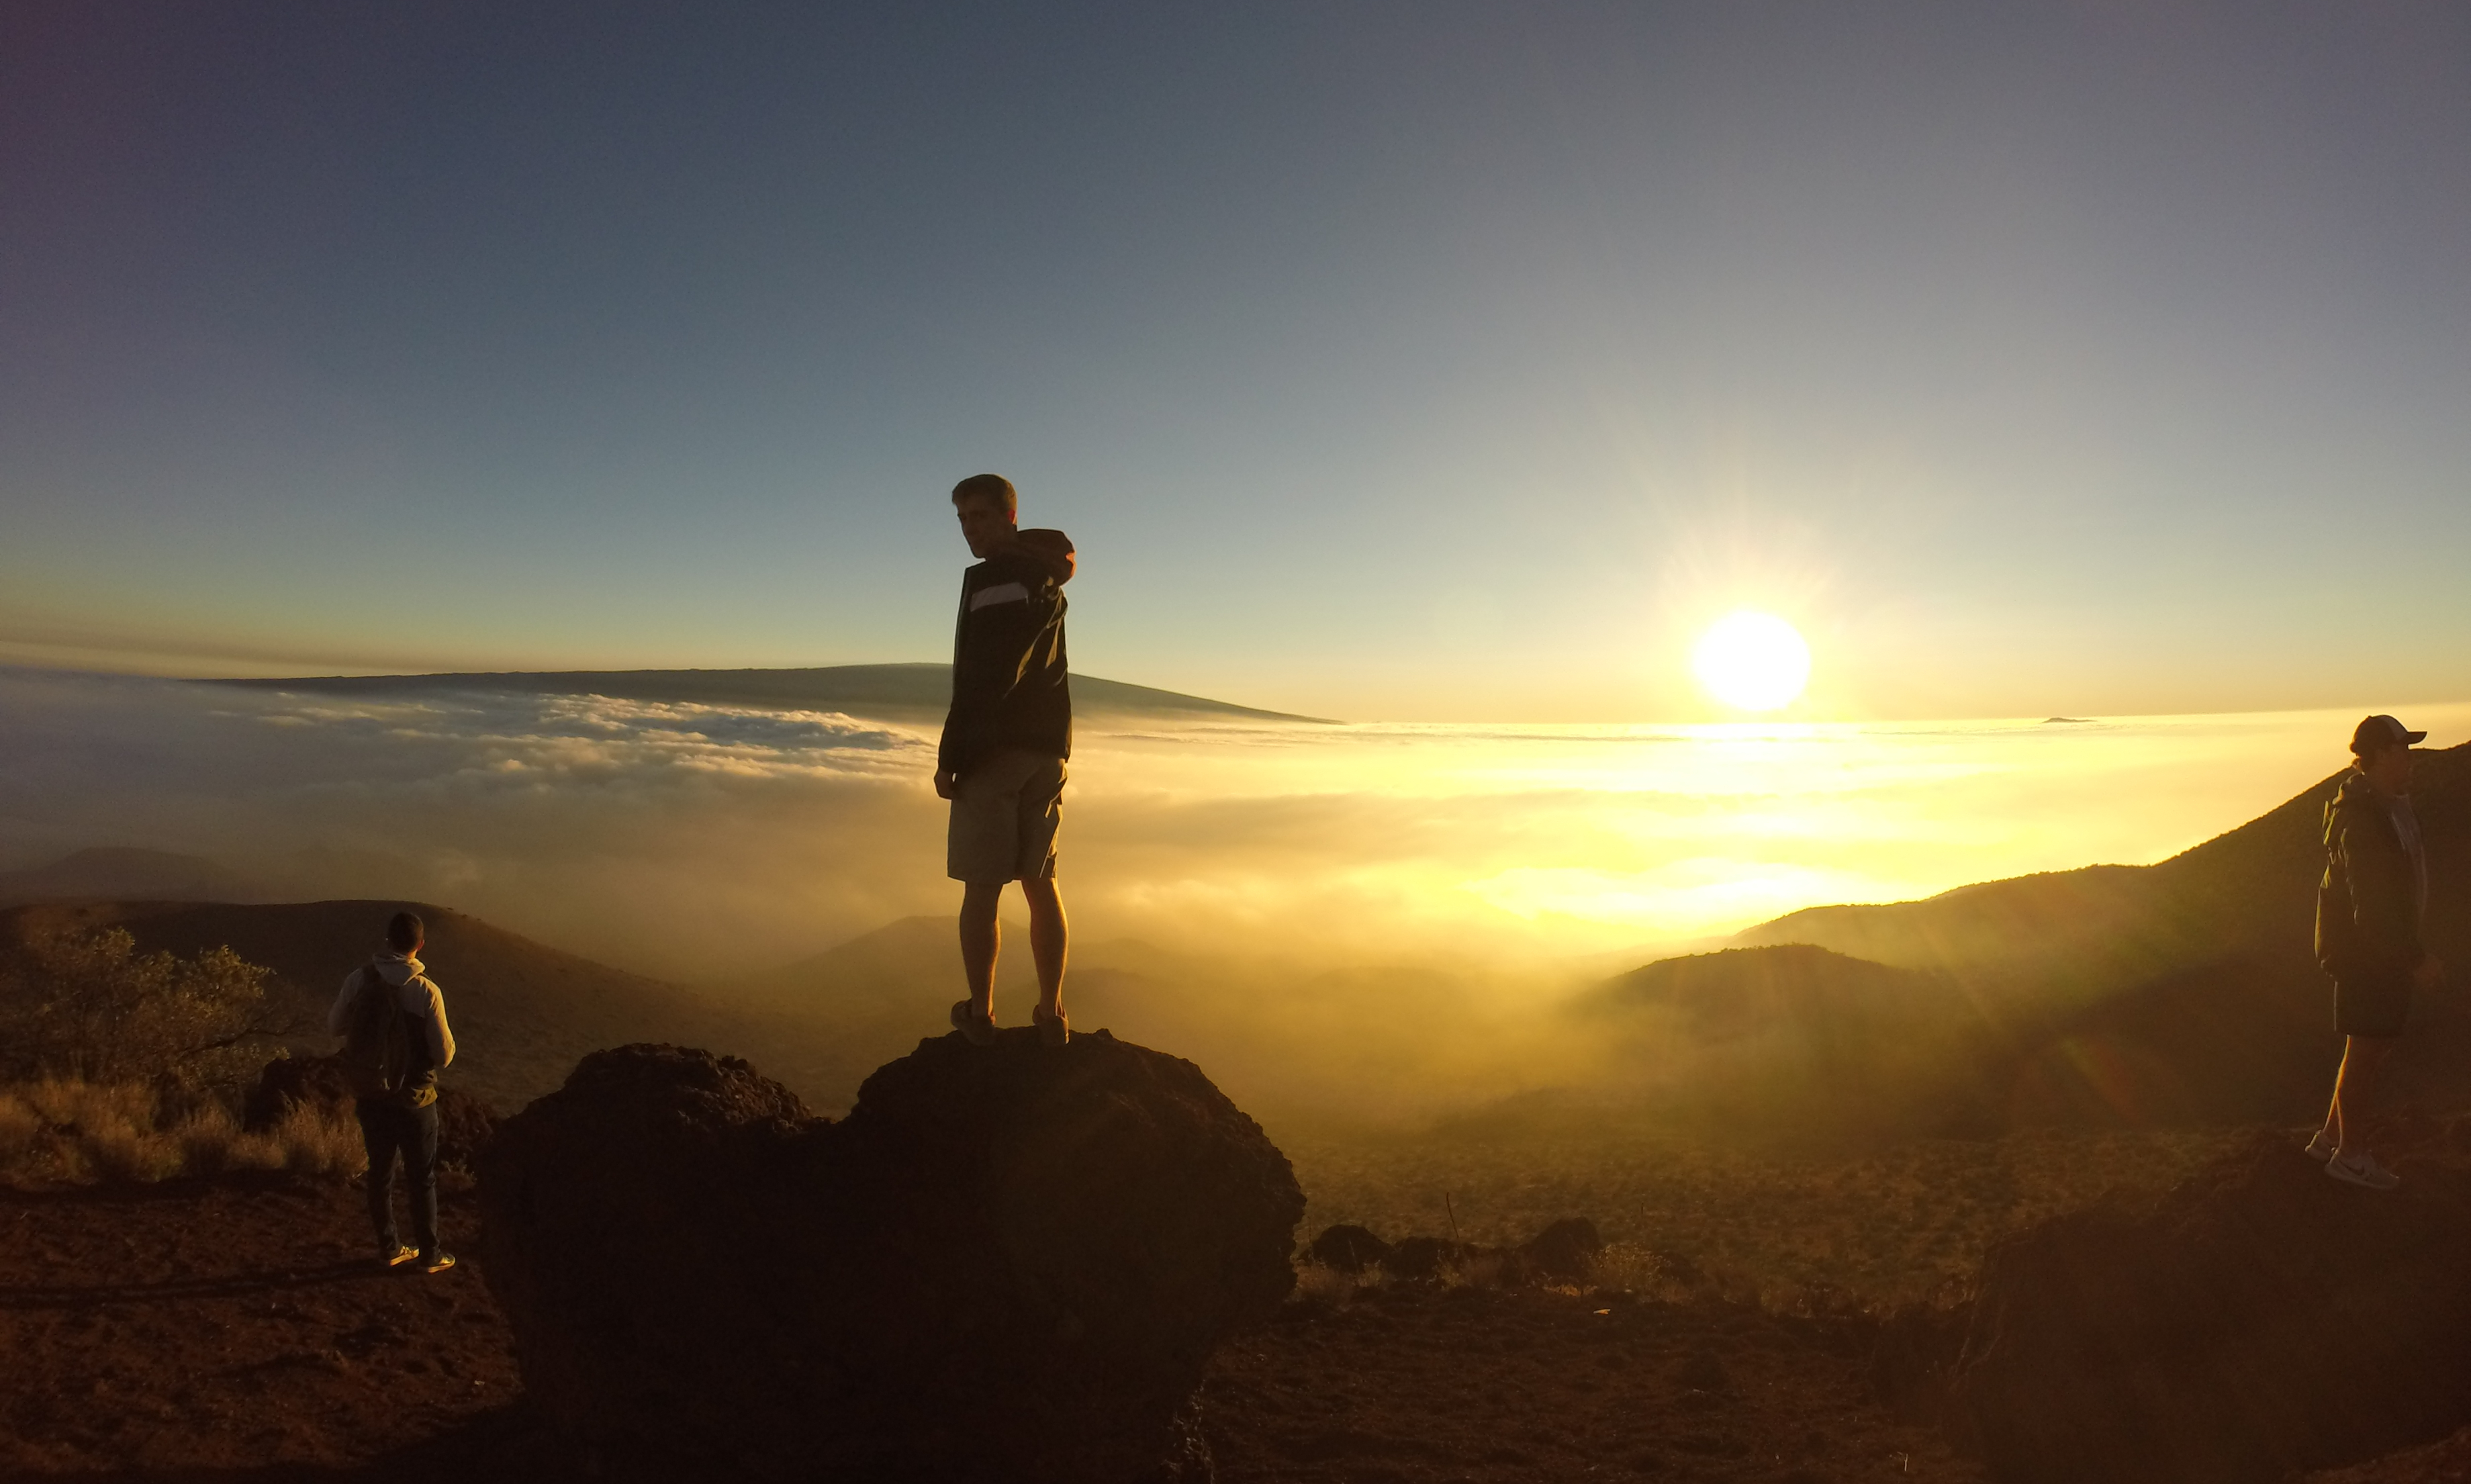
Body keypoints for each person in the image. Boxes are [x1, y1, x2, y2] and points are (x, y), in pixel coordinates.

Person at [936, 473, 1076, 1049]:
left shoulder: (997, 578)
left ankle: (981, 1013)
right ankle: (1052, 1014)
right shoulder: (1045, 578)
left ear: (1009, 516)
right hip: (1048, 752)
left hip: (995, 752)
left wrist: (953, 755)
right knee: (1041, 883)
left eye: (981, 516)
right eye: (963, 519)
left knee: (982, 887)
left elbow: (987, 677)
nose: (970, 529)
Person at [2308, 714, 2441, 1190]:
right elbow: (2374, 908)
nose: (2411, 758)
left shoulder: (2385, 807)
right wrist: (2414, 957)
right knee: (2365, 1052)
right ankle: (2350, 1157)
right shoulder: (2363, 819)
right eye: (2404, 749)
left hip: (2377, 951)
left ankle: (2330, 1139)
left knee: (2370, 1047)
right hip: (2366, 956)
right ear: (2381, 755)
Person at [329, 910, 459, 1270]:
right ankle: (430, 1254)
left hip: (372, 1094)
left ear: (388, 941)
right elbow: (444, 1056)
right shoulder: (426, 990)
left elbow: (335, 1026)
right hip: (415, 1100)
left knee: (380, 1173)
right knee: (421, 1178)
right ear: (420, 945)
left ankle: (389, 1248)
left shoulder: (360, 979)